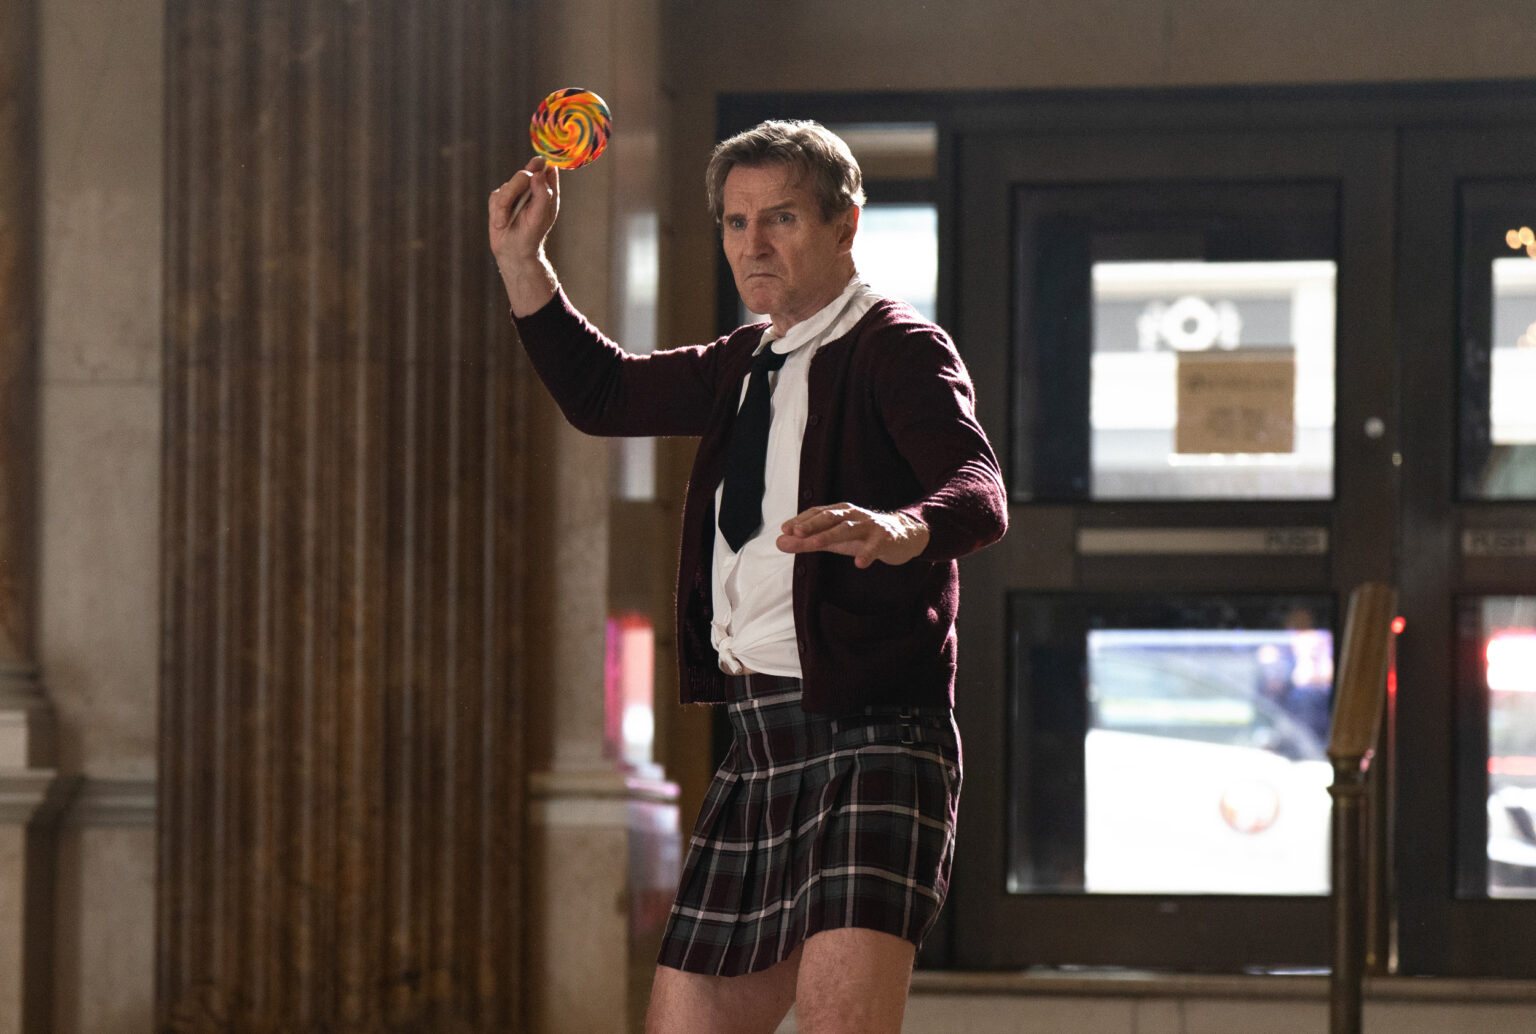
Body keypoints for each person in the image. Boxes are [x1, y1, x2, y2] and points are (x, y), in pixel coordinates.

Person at [489, 120, 1007, 1034]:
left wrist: (900, 527)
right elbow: (604, 393)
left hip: (879, 737)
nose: (752, 245)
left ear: (846, 225)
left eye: (782, 218)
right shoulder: (742, 363)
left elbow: (978, 488)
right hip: (759, 739)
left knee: (840, 1022)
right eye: (735, 222)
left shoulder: (898, 348)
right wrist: (522, 261)